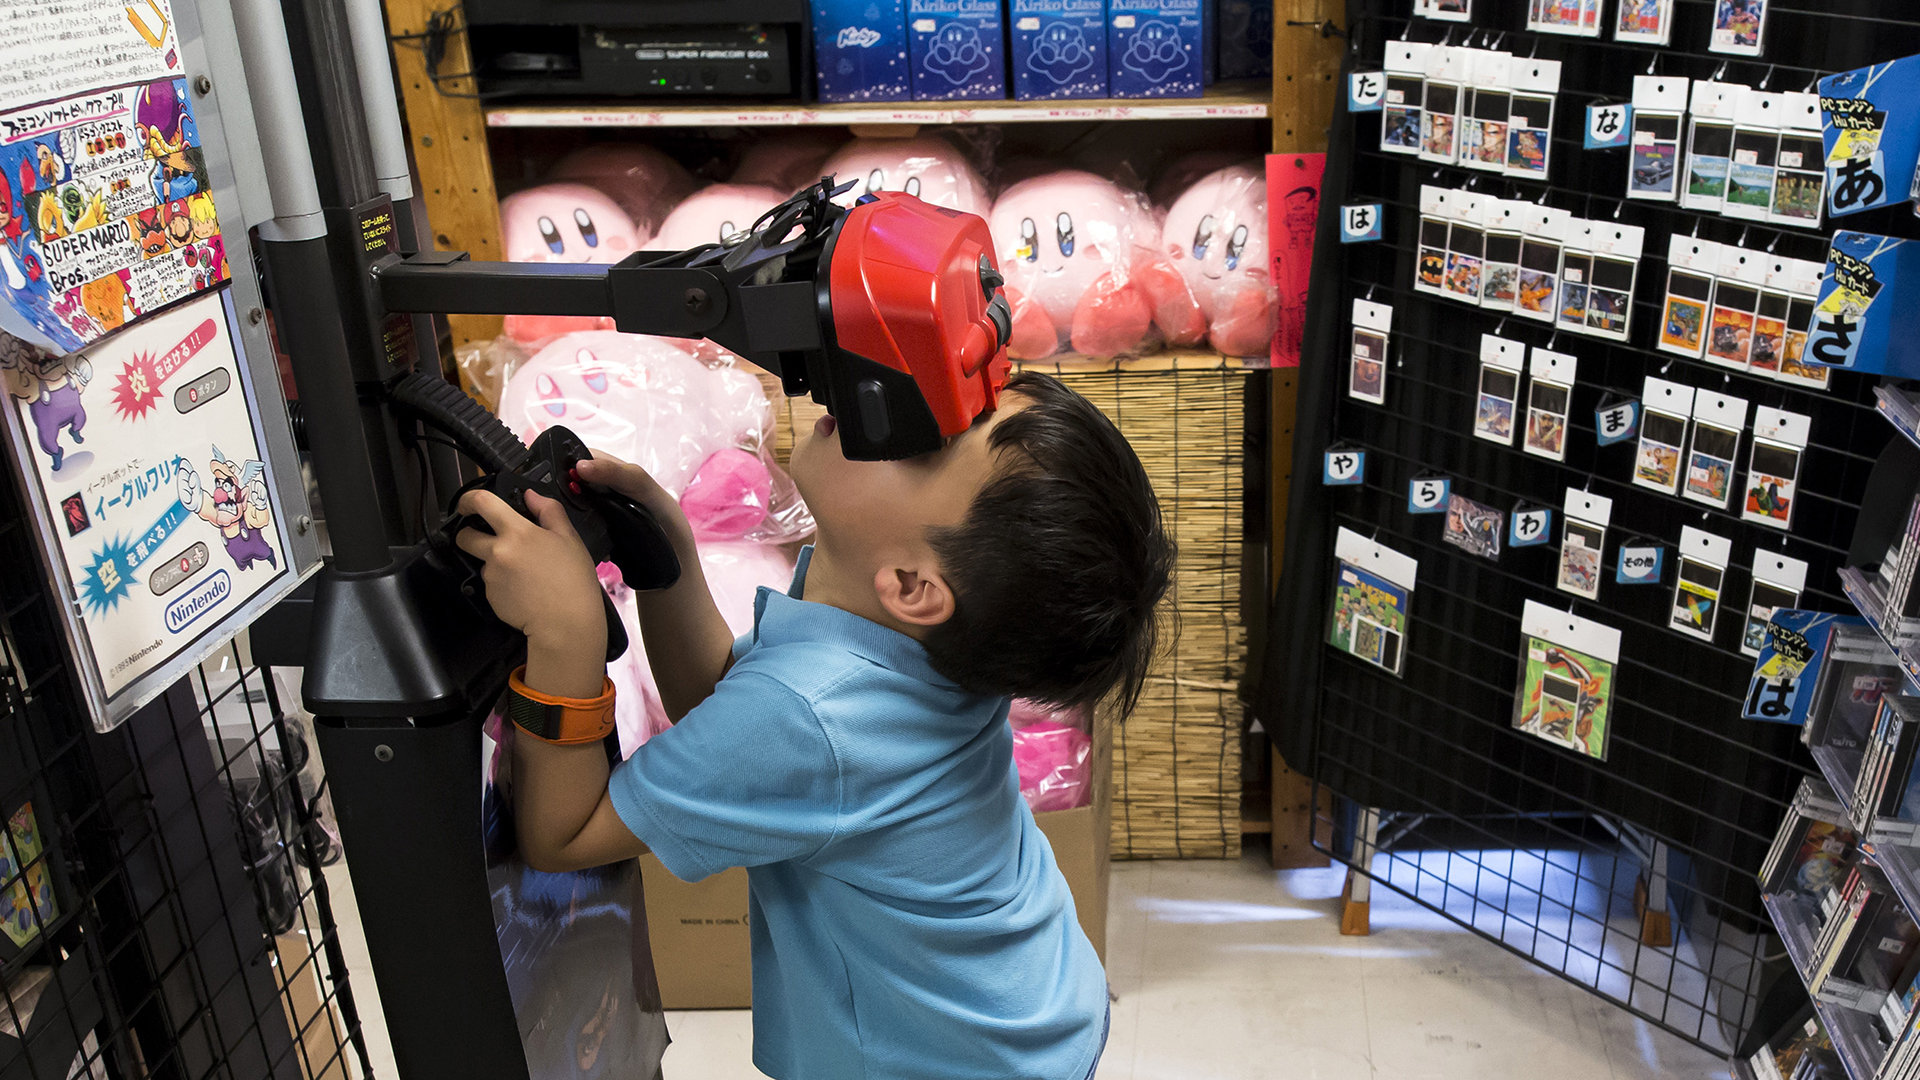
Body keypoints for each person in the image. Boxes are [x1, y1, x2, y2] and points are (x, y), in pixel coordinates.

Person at [456, 370, 1173, 1080]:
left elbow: (564, 834)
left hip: (956, 1060)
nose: (884, 410)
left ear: (913, 587)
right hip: (1030, 1008)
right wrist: (663, 554)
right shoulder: (897, 635)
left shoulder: (814, 716)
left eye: (923, 447)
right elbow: (722, 706)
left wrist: (566, 634)